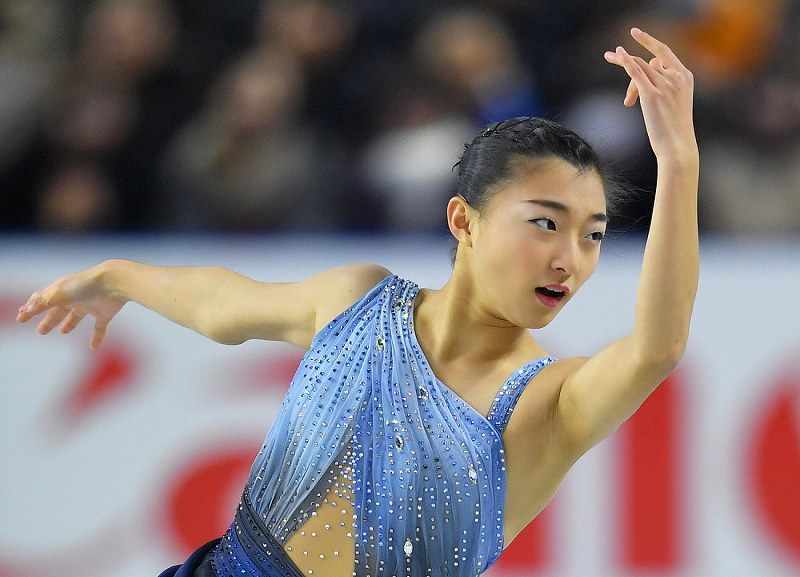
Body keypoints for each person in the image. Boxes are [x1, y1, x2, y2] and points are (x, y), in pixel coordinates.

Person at [16, 28, 698, 577]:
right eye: (545, 223)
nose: (569, 258)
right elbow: (225, 306)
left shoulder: (547, 404)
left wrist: (679, 165)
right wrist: (117, 275)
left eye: (593, 235)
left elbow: (657, 348)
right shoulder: (362, 299)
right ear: (464, 221)